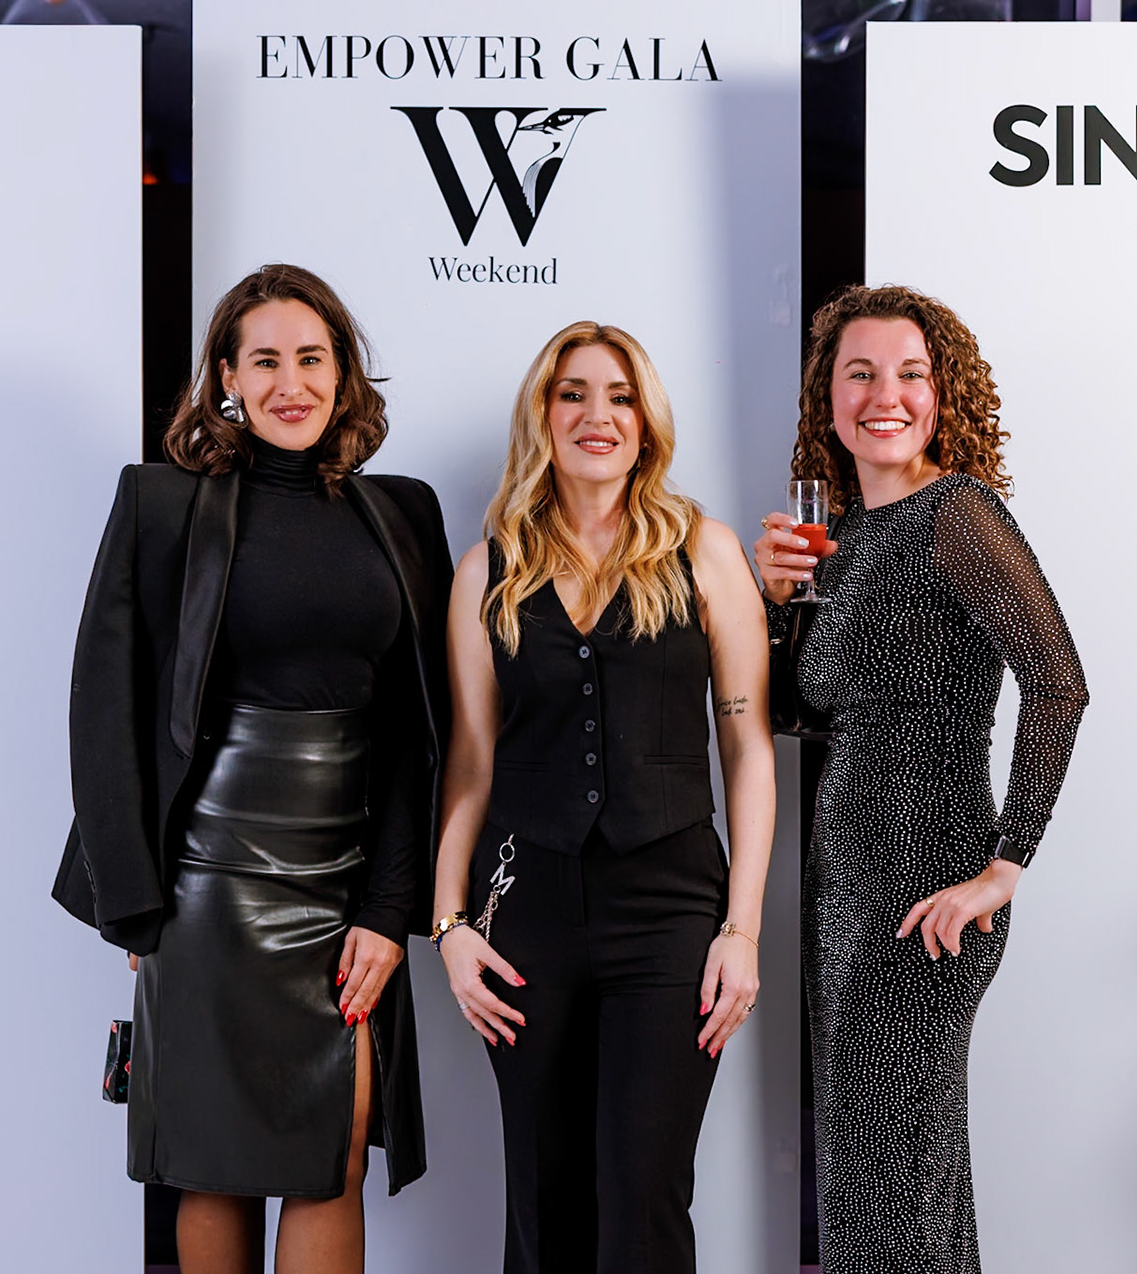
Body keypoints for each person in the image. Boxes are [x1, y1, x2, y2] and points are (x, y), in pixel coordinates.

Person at [52, 264, 452, 1274]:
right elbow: (104, 708)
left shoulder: (405, 514)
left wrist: (387, 907)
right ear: (227, 377)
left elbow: (421, 733)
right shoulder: (160, 503)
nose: (290, 384)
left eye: (311, 359)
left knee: (331, 1162)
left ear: (343, 371)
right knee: (215, 1166)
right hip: (205, 886)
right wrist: (133, 905)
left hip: (345, 878)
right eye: (264, 361)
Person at [753, 284, 1088, 1273]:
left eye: (910, 374)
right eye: (859, 373)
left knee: (893, 1184)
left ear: (944, 395)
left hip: (928, 891)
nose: (884, 395)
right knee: (883, 1183)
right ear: (828, 398)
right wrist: (775, 603)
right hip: (845, 889)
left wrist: (1005, 866)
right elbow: (798, 715)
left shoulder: (958, 513)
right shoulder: (845, 537)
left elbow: (1059, 683)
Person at [431, 321, 775, 1274]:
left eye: (621, 396)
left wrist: (742, 929)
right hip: (526, 913)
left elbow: (747, 747)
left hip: (670, 910)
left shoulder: (706, 551)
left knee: (644, 1204)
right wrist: (450, 923)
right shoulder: (487, 570)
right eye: (574, 393)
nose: (599, 414)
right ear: (542, 414)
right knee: (543, 1206)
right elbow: (470, 761)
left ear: (646, 420)